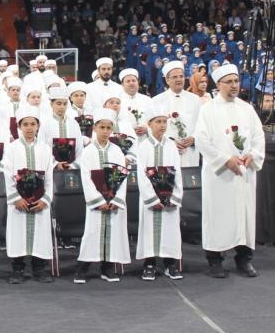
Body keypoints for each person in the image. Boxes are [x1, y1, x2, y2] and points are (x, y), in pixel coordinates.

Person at [195, 64, 266, 278]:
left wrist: (253, 154)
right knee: (218, 215)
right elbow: (202, 141)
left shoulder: (247, 108)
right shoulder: (208, 109)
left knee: (244, 215)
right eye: (229, 82)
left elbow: (258, 136)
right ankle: (215, 260)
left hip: (244, 172)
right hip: (220, 174)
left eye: (236, 81)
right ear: (219, 85)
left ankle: (244, 259)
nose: (234, 85)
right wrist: (226, 160)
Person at [74, 108, 130, 284]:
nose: (105, 131)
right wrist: (98, 200)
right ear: (95, 128)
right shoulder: (88, 151)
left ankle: (107, 268)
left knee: (113, 233)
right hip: (96, 203)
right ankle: (82, 268)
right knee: (92, 233)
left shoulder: (117, 151)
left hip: (113, 201)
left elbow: (123, 176)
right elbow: (86, 178)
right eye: (102, 127)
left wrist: (116, 199)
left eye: (108, 128)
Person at [4, 104, 55, 283]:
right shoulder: (11, 149)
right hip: (19, 203)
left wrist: (45, 199)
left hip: (39, 202)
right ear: (19, 126)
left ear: (38, 125)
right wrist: (16, 199)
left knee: (40, 234)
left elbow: (49, 177)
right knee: (18, 234)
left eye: (33, 124)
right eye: (25, 124)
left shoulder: (45, 149)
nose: (29, 128)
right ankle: (17, 269)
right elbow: (8, 176)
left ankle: (39, 269)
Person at [134, 106, 184, 281]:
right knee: (149, 230)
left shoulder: (171, 145)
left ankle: (170, 264)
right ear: (149, 124)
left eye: (164, 121)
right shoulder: (143, 146)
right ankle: (149, 264)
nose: (162, 125)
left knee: (170, 230)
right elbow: (141, 174)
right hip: (150, 199)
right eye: (158, 122)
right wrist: (152, 198)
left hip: (169, 197)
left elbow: (177, 172)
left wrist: (175, 196)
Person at [152, 61, 201, 167]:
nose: (179, 79)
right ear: (167, 80)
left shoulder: (195, 99)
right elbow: (152, 128)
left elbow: (201, 124)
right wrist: (169, 141)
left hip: (190, 150)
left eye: (181, 76)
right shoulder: (156, 100)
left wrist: (194, 138)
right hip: (167, 150)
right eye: (174, 77)